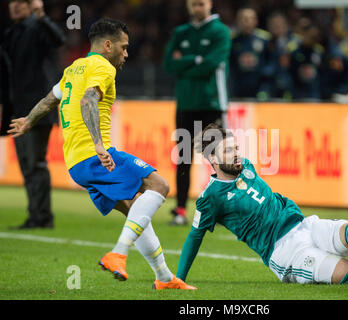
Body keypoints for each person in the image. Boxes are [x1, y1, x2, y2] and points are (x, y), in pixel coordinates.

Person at [8, 18, 196, 290]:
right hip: (94, 155)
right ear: (108, 46)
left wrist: (29, 120)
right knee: (159, 185)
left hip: (76, 164)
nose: (126, 54)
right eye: (124, 47)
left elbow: (51, 98)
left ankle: (165, 278)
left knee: (134, 211)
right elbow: (88, 99)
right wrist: (98, 144)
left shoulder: (75, 67)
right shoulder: (102, 67)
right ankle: (118, 253)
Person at [176, 123, 348, 285]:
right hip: (284, 252)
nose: (237, 154)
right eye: (229, 151)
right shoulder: (210, 198)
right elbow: (194, 237)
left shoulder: (247, 167)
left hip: (305, 225)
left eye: (236, 147)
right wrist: (179, 279)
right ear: (212, 158)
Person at [163, 0, 231, 225]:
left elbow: (211, 64)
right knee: (183, 158)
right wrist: (195, 60)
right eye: (193, 4)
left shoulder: (221, 32)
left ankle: (227, 209)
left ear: (210, 4)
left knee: (219, 158)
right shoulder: (181, 32)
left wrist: (185, 63)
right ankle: (180, 210)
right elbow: (168, 65)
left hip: (211, 103)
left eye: (200, 3)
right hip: (185, 104)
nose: (196, 8)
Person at [2, 0, 65, 229]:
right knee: (27, 164)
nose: (15, 6)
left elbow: (59, 39)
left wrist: (42, 17)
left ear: (31, 6)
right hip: (18, 109)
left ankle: (42, 217)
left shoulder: (38, 29)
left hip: (37, 110)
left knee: (35, 163)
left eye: (22, 2)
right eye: (13, 2)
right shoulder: (11, 33)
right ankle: (36, 214)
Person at [229, 7, 270, 99]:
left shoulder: (265, 39)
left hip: (259, 87)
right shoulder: (232, 40)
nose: (246, 22)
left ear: (256, 21)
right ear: (237, 21)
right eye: (243, 19)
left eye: (250, 18)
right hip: (238, 88)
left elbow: (270, 61)